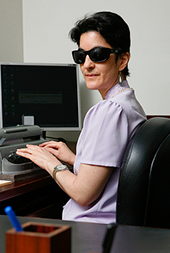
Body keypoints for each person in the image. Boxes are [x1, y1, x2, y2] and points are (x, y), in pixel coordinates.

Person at [16, 11, 146, 223]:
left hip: (91, 230)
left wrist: (49, 163)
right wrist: (74, 159)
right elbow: (117, 172)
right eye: (80, 56)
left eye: (98, 55)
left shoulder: (109, 111)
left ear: (122, 60)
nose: (86, 65)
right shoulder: (129, 104)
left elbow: (84, 194)